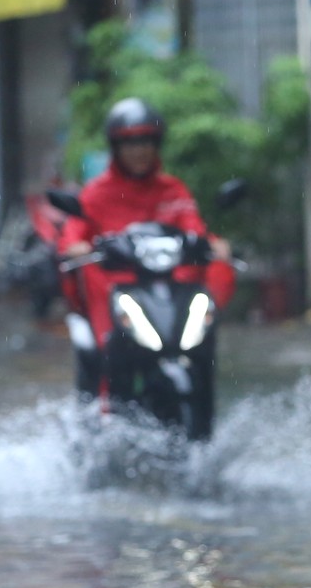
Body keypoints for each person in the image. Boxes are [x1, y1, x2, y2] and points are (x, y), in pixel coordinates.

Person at [58, 98, 235, 395]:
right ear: (116, 148)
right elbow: (74, 236)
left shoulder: (172, 190)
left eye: (146, 141)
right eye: (130, 143)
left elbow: (194, 228)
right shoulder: (97, 194)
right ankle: (106, 407)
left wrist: (215, 245)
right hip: (118, 293)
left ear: (157, 145)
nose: (139, 150)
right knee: (110, 344)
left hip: (168, 292)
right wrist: (77, 246)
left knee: (203, 332)